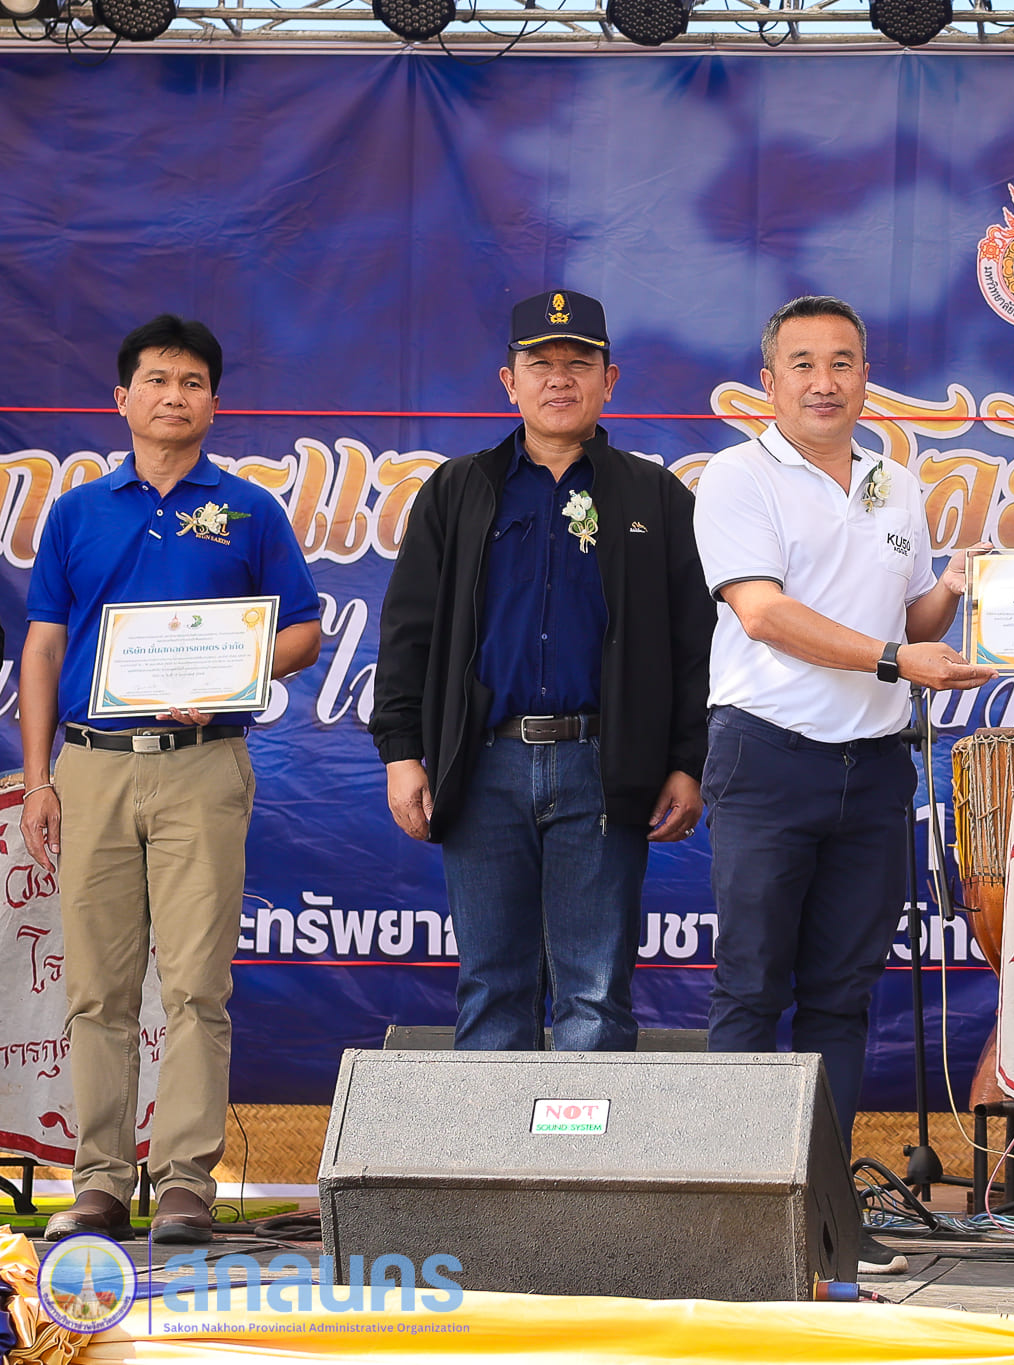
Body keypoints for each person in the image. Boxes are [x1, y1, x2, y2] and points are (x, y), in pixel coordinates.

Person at [22, 315, 321, 1243]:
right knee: (98, 990)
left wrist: (233, 676)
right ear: (123, 398)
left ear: (214, 403)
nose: (173, 396)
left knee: (197, 985)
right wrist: (38, 778)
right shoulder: (75, 512)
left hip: (203, 767)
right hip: (91, 767)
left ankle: (187, 1178)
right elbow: (43, 645)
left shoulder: (249, 509)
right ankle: (101, 1182)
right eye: (156, 380)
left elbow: (304, 632)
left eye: (192, 382)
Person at [370, 289, 714, 1052]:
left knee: (595, 992)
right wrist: (401, 754)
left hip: (605, 767)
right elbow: (408, 631)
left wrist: (686, 763)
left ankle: (583, 1139)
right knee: (493, 986)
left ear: (609, 380)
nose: (560, 378)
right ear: (509, 382)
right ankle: (495, 1140)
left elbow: (695, 643)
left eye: (579, 363)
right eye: (540, 363)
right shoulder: (458, 490)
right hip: (484, 766)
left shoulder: (654, 497)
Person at [692, 295, 992, 1163]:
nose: (823, 382)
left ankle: (820, 1199)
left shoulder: (895, 482)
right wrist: (897, 659)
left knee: (842, 996)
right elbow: (763, 614)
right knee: (751, 988)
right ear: (769, 381)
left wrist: (953, 587)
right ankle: (737, 1198)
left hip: (874, 773)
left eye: (841, 363)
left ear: (866, 377)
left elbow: (914, 619)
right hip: (767, 759)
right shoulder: (738, 477)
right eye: (803, 364)